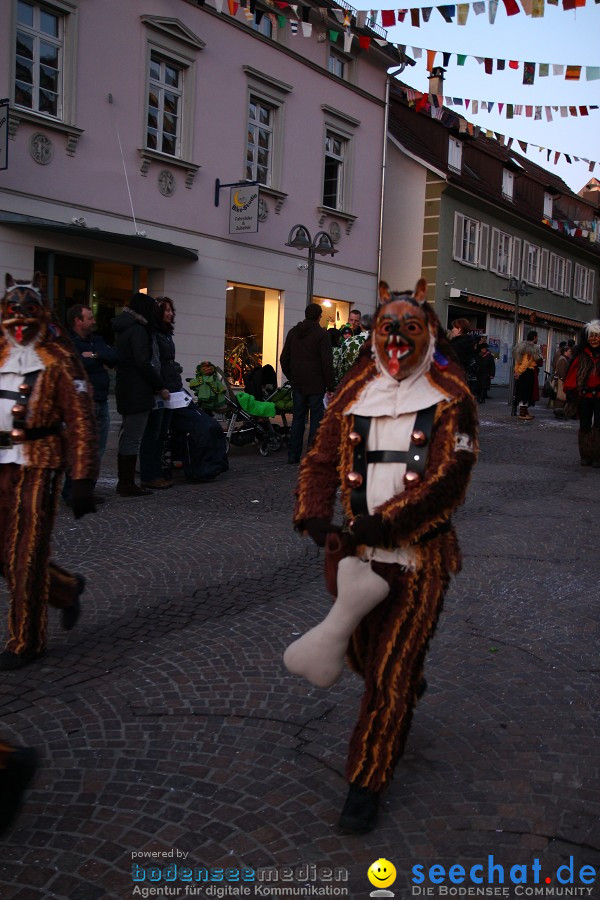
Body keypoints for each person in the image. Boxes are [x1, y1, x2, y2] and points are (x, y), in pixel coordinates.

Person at [291, 284, 478, 833]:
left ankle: (366, 779)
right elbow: (322, 457)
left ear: (428, 332)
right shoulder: (354, 390)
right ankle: (405, 682)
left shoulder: (453, 396)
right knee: (364, 658)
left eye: (409, 325)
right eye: (386, 326)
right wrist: (313, 514)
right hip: (358, 557)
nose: (396, 336)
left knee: (389, 676)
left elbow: (450, 478)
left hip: (420, 558)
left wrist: (389, 519)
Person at [0, 273, 98, 670]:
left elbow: (81, 419)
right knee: (2, 553)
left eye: (28, 311)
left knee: (26, 549)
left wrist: (82, 477)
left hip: (38, 461)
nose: (19, 319)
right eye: (12, 311)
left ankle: (27, 640)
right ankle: (66, 588)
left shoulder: (59, 359)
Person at [112, 292, 169, 496]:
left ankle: (125, 482)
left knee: (129, 435)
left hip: (127, 387)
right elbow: (143, 362)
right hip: (137, 389)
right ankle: (126, 484)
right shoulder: (138, 330)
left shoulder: (125, 328)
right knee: (133, 437)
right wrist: (159, 385)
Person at [63, 304, 117, 504]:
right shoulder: (67, 342)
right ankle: (73, 492)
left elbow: (114, 357)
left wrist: (94, 355)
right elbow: (74, 363)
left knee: (97, 450)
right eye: (89, 318)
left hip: (101, 400)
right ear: (78, 320)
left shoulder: (97, 340)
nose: (93, 321)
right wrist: (97, 360)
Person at [280, 303, 335, 465]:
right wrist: (330, 385)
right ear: (319, 316)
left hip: (298, 383)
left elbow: (284, 359)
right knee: (316, 420)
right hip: (316, 384)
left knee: (298, 419)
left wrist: (291, 376)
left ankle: (293, 455)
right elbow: (327, 362)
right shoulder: (321, 334)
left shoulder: (293, 333)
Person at [139, 297, 183, 490]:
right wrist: (160, 386)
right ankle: (150, 474)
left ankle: (156, 472)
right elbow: (154, 362)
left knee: (162, 433)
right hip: (160, 390)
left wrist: (175, 371)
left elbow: (168, 361)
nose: (170, 313)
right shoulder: (154, 333)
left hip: (171, 387)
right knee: (153, 433)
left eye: (171, 310)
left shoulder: (166, 333)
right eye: (166, 310)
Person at [562, 320, 600, 466]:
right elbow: (572, 373)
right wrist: (571, 391)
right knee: (584, 425)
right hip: (584, 396)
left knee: (599, 425)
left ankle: (597, 456)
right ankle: (586, 455)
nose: (594, 339)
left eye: (597, 336)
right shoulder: (581, 354)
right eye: (591, 336)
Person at [513, 330, 543, 420]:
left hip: (523, 372)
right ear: (534, 337)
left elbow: (518, 361)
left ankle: (525, 412)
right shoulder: (531, 348)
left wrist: (517, 371)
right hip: (528, 373)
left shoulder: (521, 347)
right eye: (537, 337)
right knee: (525, 393)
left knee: (523, 392)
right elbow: (527, 361)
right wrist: (519, 372)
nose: (537, 339)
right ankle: (522, 413)